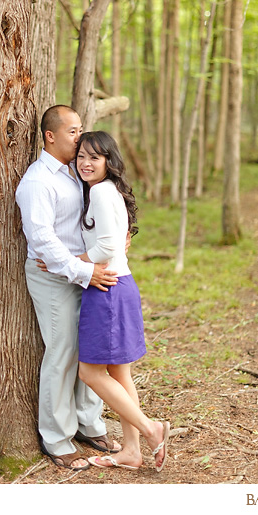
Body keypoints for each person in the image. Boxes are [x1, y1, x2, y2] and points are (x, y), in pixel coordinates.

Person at [16, 105, 121, 471]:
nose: (80, 136)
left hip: (86, 270)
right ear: (50, 135)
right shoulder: (37, 181)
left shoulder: (79, 172)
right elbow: (43, 241)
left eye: (80, 130)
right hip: (54, 276)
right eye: (73, 131)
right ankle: (57, 438)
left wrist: (117, 243)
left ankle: (89, 424)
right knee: (62, 352)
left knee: (91, 350)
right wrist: (83, 270)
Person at [70, 131, 170, 471]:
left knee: (90, 372)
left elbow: (106, 249)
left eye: (94, 157)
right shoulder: (107, 191)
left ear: (108, 162)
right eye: (81, 156)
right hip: (121, 284)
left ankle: (150, 429)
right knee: (119, 372)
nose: (85, 163)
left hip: (107, 289)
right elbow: (116, 242)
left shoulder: (99, 191)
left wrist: (70, 259)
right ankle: (131, 451)